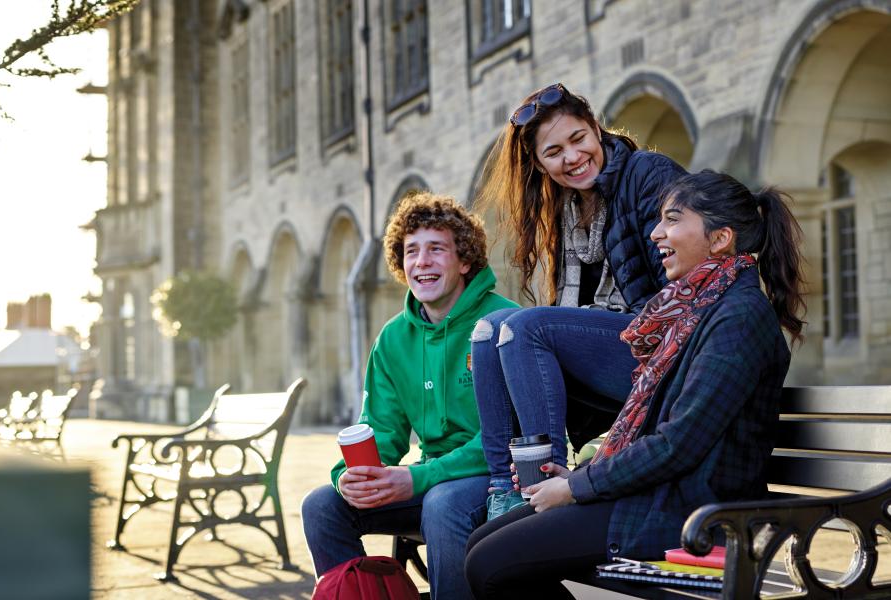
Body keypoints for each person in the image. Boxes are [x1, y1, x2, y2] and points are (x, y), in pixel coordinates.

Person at [463, 170, 806, 598]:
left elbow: (677, 444)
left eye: (673, 220)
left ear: (720, 240)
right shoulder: (695, 309)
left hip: (691, 510)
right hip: (658, 494)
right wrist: (581, 474)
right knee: (479, 546)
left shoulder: (738, 318)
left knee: (490, 565)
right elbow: (657, 432)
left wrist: (574, 488)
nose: (656, 232)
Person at [470, 83, 687, 516]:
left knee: (523, 328)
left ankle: (546, 489)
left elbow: (685, 286)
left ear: (596, 128)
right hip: (616, 355)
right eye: (553, 152)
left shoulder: (649, 175)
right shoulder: (566, 208)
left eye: (578, 139)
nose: (571, 157)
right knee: (487, 331)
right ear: (538, 163)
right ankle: (505, 491)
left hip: (665, 355)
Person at [301, 192, 518, 600]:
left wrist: (417, 477)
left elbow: (505, 440)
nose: (422, 262)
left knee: (442, 503)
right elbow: (380, 429)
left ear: (465, 261)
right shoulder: (392, 339)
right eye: (411, 251)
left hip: (498, 482)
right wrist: (353, 477)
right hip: (431, 480)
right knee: (322, 505)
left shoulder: (504, 322)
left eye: (437, 249)